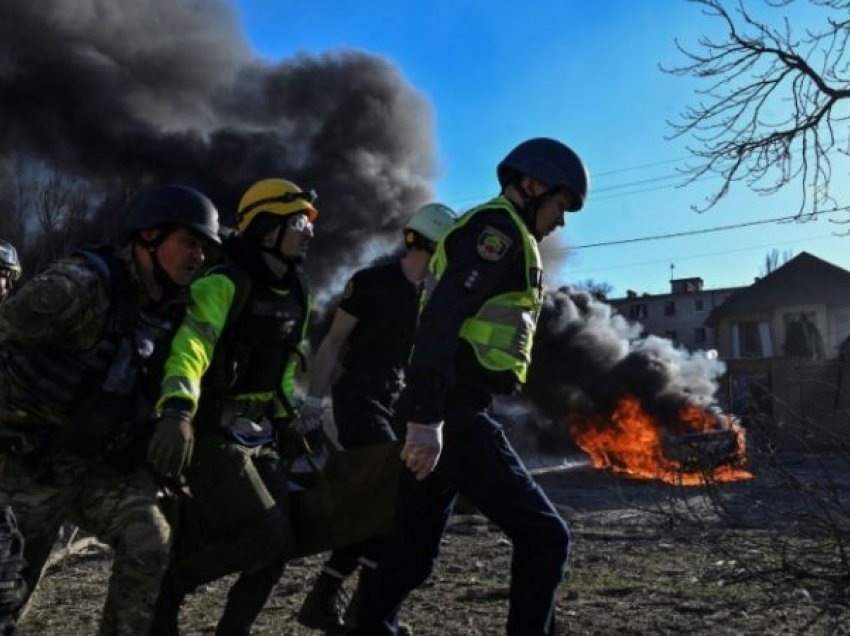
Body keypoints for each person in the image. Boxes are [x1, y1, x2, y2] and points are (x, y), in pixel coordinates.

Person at [352, 138, 590, 636]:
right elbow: (441, 320)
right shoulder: (496, 230)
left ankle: (369, 626)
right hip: (451, 412)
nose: (561, 221)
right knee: (546, 537)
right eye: (559, 206)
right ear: (531, 186)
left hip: (447, 407)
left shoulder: (501, 233)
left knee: (412, 553)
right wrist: (426, 419)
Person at [0, 184, 220, 635]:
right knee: (10, 591)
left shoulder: (175, 310)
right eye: (189, 242)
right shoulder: (77, 286)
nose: (197, 256)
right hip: (24, 464)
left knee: (149, 541)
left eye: (203, 247)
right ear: (149, 236)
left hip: (96, 468)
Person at [150, 178, 318, 636]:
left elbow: (283, 365)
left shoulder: (298, 291)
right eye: (299, 222)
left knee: (281, 545)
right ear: (266, 229)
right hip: (209, 434)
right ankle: (169, 587)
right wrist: (178, 410)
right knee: (266, 535)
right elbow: (191, 348)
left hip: (259, 435)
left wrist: (286, 419)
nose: (309, 232)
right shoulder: (224, 283)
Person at [296, 203, 455, 633]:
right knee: (390, 496)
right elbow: (333, 343)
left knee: (381, 506)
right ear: (434, 246)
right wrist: (313, 402)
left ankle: (340, 605)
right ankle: (365, 615)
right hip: (359, 398)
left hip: (396, 402)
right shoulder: (371, 283)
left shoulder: (431, 298)